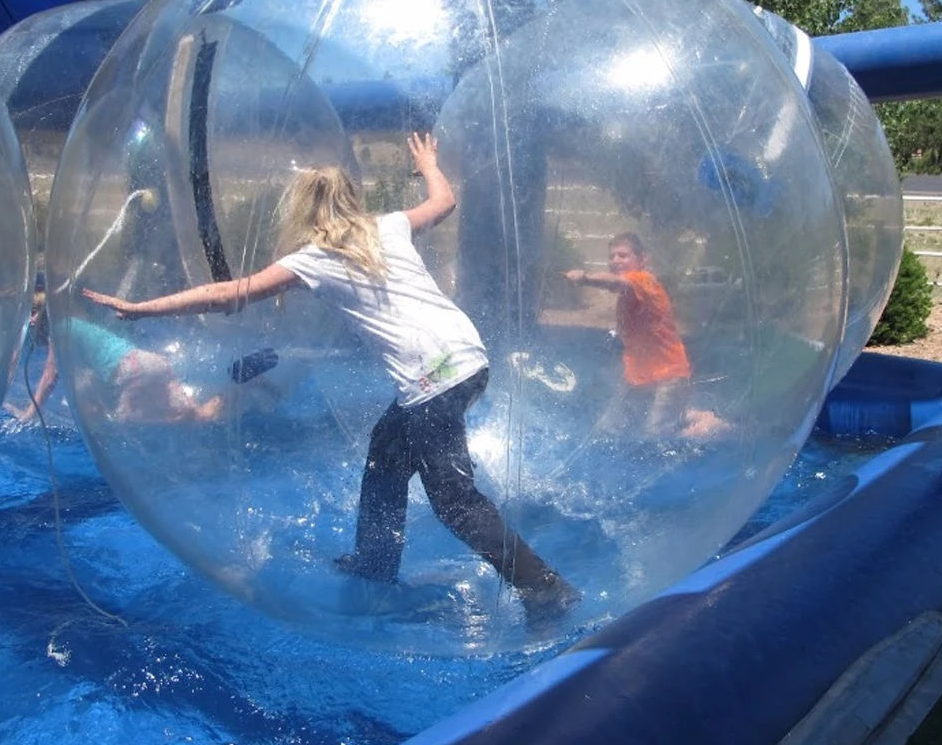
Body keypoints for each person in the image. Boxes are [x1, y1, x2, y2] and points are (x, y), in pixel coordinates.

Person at [84, 133, 580, 623]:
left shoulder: (314, 259)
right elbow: (444, 202)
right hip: (466, 358)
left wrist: (140, 309)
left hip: (432, 377)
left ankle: (543, 588)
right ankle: (373, 562)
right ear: (350, 200)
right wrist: (428, 163)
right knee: (385, 457)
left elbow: (228, 294)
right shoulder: (389, 227)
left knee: (453, 500)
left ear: (303, 211)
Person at [566, 233, 726, 439]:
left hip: (668, 374)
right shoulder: (630, 293)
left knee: (657, 433)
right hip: (640, 375)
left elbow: (616, 283)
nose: (615, 260)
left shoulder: (643, 280)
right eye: (612, 256)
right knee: (608, 427)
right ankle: (692, 415)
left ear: (643, 260)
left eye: (623, 255)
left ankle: (712, 428)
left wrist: (585, 278)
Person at [8, 287, 224, 425]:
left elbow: (49, 378)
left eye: (34, 313)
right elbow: (90, 376)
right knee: (202, 416)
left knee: (126, 423)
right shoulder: (76, 326)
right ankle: (231, 397)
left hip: (133, 372)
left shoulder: (60, 330)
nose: (31, 321)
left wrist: (28, 415)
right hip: (151, 363)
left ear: (46, 313)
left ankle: (181, 419)